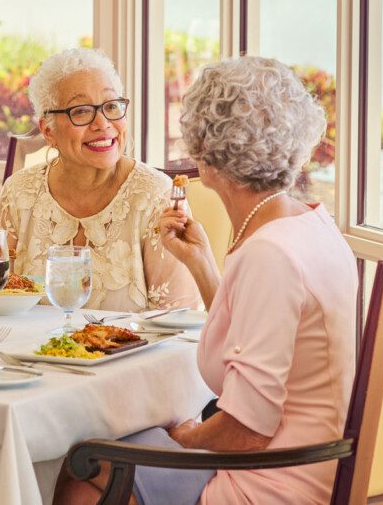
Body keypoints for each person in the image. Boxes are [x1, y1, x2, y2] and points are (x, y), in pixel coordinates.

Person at [54, 56, 357, 505]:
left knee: (82, 463)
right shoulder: (311, 225)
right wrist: (202, 267)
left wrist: (190, 437)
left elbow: (246, 431)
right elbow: (258, 338)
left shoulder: (269, 254)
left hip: (269, 484)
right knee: (127, 442)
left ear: (207, 158)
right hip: (319, 465)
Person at [0, 48, 200, 312]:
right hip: (29, 351)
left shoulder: (156, 195)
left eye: (111, 106)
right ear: (48, 130)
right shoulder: (20, 191)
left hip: (131, 353)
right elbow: (5, 296)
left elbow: (177, 324)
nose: (102, 123)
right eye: (81, 111)